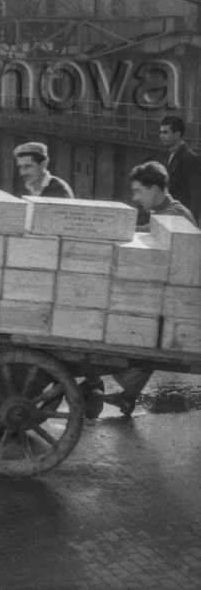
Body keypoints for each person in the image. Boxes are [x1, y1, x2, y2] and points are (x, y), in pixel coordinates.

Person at [100, 161, 198, 416]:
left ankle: (108, 378)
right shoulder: (167, 211)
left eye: (138, 191)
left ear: (154, 189)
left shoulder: (174, 216)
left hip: (181, 302)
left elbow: (147, 237)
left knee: (137, 321)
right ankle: (127, 395)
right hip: (174, 295)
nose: (135, 197)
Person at [159, 115, 201, 223]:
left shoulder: (189, 157)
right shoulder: (170, 154)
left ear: (177, 134)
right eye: (161, 132)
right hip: (171, 216)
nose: (161, 136)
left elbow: (197, 195)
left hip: (182, 219)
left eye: (165, 132)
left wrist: (191, 223)